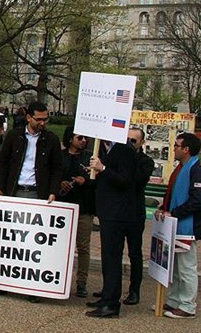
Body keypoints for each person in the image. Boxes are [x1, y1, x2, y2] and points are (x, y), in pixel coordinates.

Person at [0, 101, 62, 302]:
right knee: (9, 240)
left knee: (32, 242)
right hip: (14, 191)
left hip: (36, 193)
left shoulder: (51, 139)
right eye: (38, 119)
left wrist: (53, 191)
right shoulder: (14, 136)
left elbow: (58, 167)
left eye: (45, 119)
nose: (42, 123)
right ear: (29, 118)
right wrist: (0, 186)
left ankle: (32, 287)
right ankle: (3, 282)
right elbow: (3, 162)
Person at [156, 133, 201, 319]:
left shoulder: (197, 172)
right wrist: (164, 207)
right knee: (176, 268)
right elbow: (172, 195)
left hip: (188, 227)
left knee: (186, 268)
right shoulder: (181, 169)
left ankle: (187, 305)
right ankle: (175, 300)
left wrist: (174, 212)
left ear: (186, 149)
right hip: (177, 225)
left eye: (177, 146)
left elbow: (197, 201)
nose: (174, 149)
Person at [85, 139, 137, 318]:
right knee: (107, 257)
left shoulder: (125, 150)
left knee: (112, 257)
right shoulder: (107, 149)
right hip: (108, 211)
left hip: (117, 213)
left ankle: (111, 303)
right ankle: (107, 295)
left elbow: (125, 180)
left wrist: (103, 169)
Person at [59, 127, 95, 298]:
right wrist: (61, 183)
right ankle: (59, 278)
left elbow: (98, 179)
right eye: (80, 137)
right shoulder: (60, 156)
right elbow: (53, 174)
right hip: (63, 206)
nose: (83, 140)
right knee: (60, 245)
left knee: (83, 247)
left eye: (85, 138)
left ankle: (81, 282)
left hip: (84, 207)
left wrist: (86, 180)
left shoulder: (90, 157)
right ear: (70, 138)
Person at [123, 128, 155, 305]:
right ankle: (110, 288)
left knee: (134, 252)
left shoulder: (145, 161)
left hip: (135, 212)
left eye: (133, 141)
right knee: (112, 251)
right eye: (126, 140)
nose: (129, 143)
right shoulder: (118, 156)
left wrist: (131, 156)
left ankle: (134, 290)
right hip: (118, 210)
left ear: (141, 143)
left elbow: (137, 180)